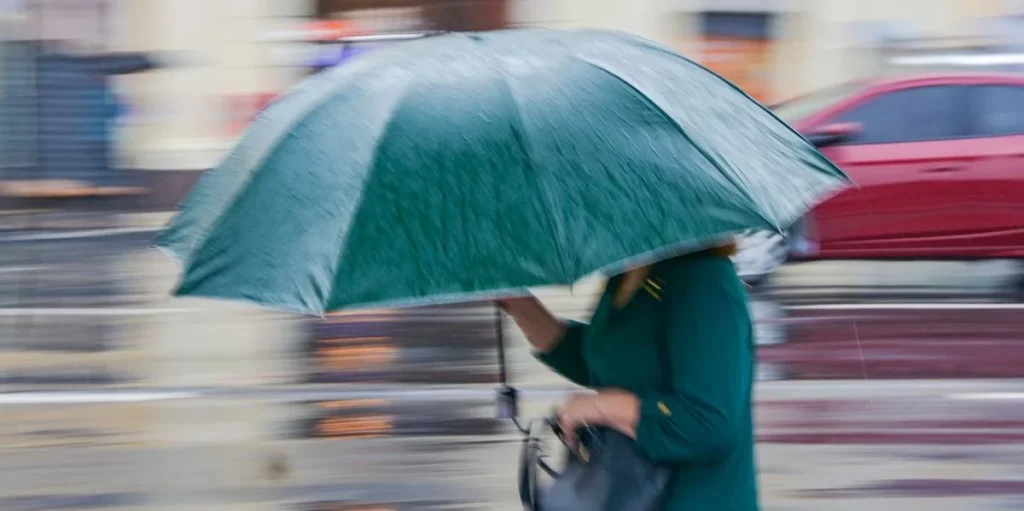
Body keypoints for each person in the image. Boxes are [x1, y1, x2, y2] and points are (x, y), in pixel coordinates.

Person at [499, 244, 759, 510]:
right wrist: (517, 303)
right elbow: (606, 361)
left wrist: (601, 407)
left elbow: (707, 421)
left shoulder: (706, 283)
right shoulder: (625, 274)